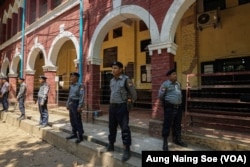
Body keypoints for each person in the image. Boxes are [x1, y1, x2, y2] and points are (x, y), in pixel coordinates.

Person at [106, 61, 137, 162]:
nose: (113, 70)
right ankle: (111, 144)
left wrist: (129, 102)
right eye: (112, 68)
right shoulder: (112, 81)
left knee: (124, 128)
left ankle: (126, 149)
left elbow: (134, 94)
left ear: (120, 69)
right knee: (111, 126)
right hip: (112, 107)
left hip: (122, 107)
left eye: (115, 68)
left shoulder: (126, 80)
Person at [158, 68, 187, 151]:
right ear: (169, 76)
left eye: (175, 74)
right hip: (170, 108)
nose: (175, 75)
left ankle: (178, 140)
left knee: (177, 125)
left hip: (178, 108)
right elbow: (160, 96)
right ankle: (165, 143)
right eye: (173, 74)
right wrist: (166, 102)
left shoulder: (178, 84)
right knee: (167, 125)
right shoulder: (165, 85)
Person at [66, 72, 84, 144]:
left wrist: (80, 106)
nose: (71, 78)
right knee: (72, 120)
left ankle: (80, 135)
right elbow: (69, 96)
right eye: (71, 76)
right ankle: (74, 133)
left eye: (73, 76)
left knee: (77, 120)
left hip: (76, 103)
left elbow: (81, 97)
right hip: (71, 103)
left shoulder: (80, 86)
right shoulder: (71, 86)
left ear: (77, 78)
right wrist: (67, 104)